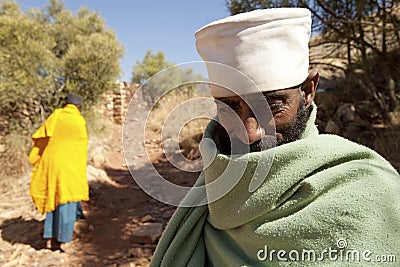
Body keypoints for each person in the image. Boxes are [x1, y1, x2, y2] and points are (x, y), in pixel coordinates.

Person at [150, 8, 400, 266]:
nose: (249, 133)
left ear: (308, 91)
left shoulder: (374, 191)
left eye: (271, 106)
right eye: (229, 107)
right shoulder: (211, 193)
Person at [29, 94, 89, 251]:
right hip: (68, 166)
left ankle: (49, 238)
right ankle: (63, 240)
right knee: (67, 199)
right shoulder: (78, 121)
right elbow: (80, 147)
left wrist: (39, 155)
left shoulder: (56, 116)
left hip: (52, 163)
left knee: (52, 198)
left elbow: (40, 137)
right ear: (79, 107)